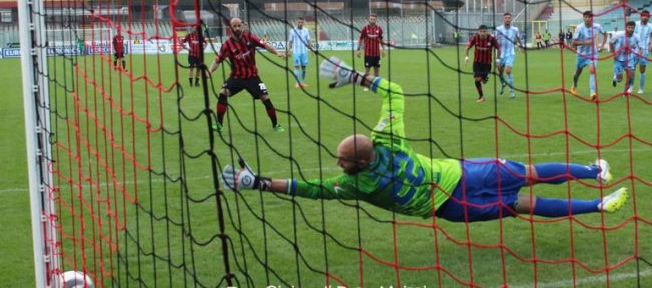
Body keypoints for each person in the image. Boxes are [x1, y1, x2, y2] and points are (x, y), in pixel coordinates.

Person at [220, 57, 628, 223]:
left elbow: (305, 189)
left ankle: (597, 191)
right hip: (460, 175)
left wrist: (258, 182)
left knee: (526, 199)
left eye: (342, 158)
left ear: (358, 163)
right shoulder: (386, 138)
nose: (338, 162)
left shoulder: (357, 184)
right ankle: (597, 181)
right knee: (530, 181)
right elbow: (395, 92)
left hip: (450, 205)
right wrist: (359, 77)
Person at [208, 18, 287, 132]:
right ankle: (219, 124)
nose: (237, 28)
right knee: (223, 93)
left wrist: (277, 52)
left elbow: (266, 45)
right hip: (236, 78)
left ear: (243, 26)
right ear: (230, 28)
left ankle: (275, 125)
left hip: (252, 77)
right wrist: (210, 71)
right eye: (234, 26)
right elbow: (217, 61)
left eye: (239, 25)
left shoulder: (250, 38)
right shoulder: (227, 45)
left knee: (265, 98)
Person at [571, 10, 607, 100]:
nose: (588, 19)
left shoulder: (597, 26)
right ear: (583, 18)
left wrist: (602, 45)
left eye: (589, 17)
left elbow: (605, 33)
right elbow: (573, 43)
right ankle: (574, 86)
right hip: (581, 54)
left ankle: (592, 93)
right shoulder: (579, 28)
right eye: (586, 17)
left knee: (592, 71)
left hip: (593, 54)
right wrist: (586, 43)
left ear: (592, 18)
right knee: (577, 73)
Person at [464, 24, 500, 103]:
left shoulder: (491, 39)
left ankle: (486, 77)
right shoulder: (475, 38)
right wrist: (466, 57)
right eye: (481, 31)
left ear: (487, 32)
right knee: (477, 79)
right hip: (477, 62)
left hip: (487, 64)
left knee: (484, 81)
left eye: (484, 31)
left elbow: (498, 48)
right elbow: (467, 47)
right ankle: (481, 96)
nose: (483, 33)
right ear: (478, 32)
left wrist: (498, 60)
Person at [494, 13, 524, 99]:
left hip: (510, 53)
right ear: (503, 19)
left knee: (508, 71)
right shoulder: (498, 29)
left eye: (509, 18)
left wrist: (521, 46)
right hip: (500, 54)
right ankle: (503, 84)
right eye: (506, 18)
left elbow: (518, 38)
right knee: (500, 72)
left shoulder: (515, 29)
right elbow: (493, 40)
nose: (507, 19)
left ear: (511, 19)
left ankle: (511, 91)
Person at [356, 13, 385, 91]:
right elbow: (360, 39)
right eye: (371, 19)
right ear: (369, 19)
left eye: (374, 19)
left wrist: (383, 49)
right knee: (367, 71)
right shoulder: (365, 28)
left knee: (377, 71)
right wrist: (358, 49)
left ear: (376, 20)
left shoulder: (379, 29)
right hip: (368, 54)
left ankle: (376, 85)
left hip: (377, 54)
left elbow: (381, 39)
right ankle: (366, 85)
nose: (372, 20)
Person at [610, 21, 640, 94]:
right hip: (618, 59)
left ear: (634, 28)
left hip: (629, 59)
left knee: (631, 75)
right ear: (626, 28)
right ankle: (615, 78)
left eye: (632, 28)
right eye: (629, 27)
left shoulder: (636, 37)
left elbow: (640, 47)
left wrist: (639, 54)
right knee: (619, 79)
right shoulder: (618, 35)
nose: (630, 29)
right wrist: (614, 53)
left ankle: (624, 92)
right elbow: (611, 43)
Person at [634, 10, 652, 94]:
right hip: (634, 50)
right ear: (641, 16)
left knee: (642, 69)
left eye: (647, 16)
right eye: (644, 16)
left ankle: (641, 88)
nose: (645, 17)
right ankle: (630, 87)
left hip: (644, 51)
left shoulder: (651, 26)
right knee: (631, 69)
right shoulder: (635, 24)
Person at [288, 17, 313, 88]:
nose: (300, 24)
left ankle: (302, 82)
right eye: (299, 22)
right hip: (296, 52)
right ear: (296, 22)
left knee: (304, 67)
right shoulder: (292, 31)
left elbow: (308, 41)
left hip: (304, 52)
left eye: (301, 22)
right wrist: (289, 51)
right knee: (296, 66)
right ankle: (296, 83)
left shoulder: (306, 31)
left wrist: (312, 50)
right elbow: (290, 41)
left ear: (303, 23)